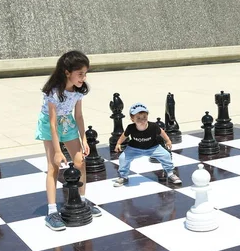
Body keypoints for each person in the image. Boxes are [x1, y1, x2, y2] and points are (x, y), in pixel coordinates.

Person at [35, 50, 102, 231]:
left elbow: (78, 116)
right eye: (80, 74)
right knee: (53, 167)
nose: (84, 77)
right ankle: (51, 212)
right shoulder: (54, 92)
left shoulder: (79, 91)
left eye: (85, 73)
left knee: (80, 161)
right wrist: (57, 151)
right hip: (50, 127)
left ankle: (82, 200)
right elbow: (52, 123)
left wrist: (85, 140)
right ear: (67, 72)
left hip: (68, 123)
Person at [113, 103, 182, 187]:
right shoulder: (130, 127)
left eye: (144, 117)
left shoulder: (153, 126)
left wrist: (168, 140)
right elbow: (124, 135)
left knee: (166, 155)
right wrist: (118, 143)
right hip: (134, 148)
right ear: (132, 119)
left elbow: (161, 132)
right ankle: (123, 176)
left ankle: (171, 173)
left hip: (153, 147)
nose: (142, 120)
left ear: (147, 116)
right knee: (122, 158)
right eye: (138, 118)